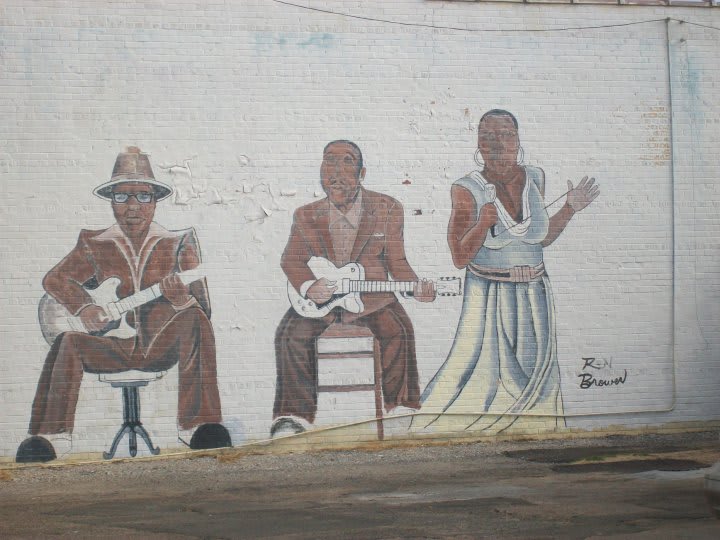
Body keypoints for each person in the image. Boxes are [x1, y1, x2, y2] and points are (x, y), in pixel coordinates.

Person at [16, 147, 230, 462]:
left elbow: (203, 310)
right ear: (111, 201)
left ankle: (199, 427)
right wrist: (85, 307)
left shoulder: (178, 243)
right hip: (109, 347)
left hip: (159, 345)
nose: (132, 207)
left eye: (143, 196)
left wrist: (181, 300)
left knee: (195, 320)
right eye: (122, 197)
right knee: (68, 341)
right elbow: (54, 279)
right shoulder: (94, 243)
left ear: (155, 201)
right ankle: (49, 438)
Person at [418, 110, 599, 434]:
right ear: (478, 144)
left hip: (535, 295)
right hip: (489, 297)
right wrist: (482, 223)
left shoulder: (536, 177)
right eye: (488, 136)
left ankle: (537, 435)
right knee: (481, 379)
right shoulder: (466, 188)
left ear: (517, 140)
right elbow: (459, 257)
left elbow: (541, 237)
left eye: (505, 135)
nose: (497, 144)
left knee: (536, 376)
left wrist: (570, 207)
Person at [271, 140, 436, 437]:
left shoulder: (387, 208)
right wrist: (309, 286)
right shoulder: (305, 215)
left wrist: (415, 288)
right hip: (320, 304)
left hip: (373, 301)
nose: (336, 172)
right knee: (288, 334)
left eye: (346, 162)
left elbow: (397, 261)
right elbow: (291, 259)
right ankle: (292, 417)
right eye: (329, 162)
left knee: (399, 330)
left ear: (362, 173)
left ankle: (401, 409)